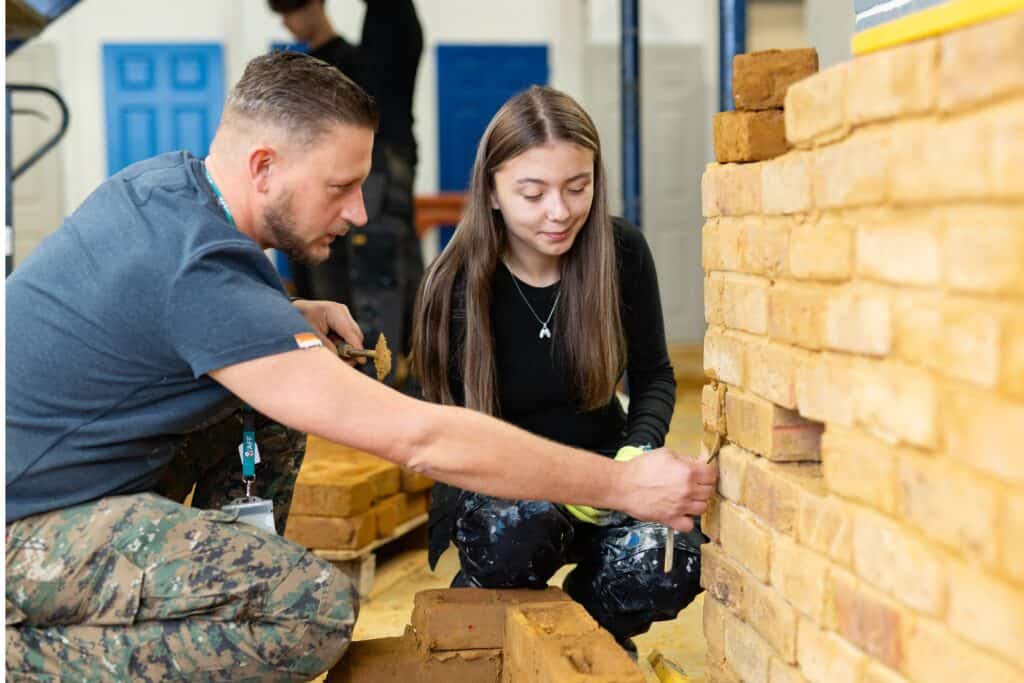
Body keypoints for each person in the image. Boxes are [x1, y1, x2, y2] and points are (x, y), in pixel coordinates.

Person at [5, 53, 717, 681]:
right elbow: (422, 438)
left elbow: (173, 311)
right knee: (309, 611)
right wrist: (624, 482)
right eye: (340, 186)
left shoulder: (171, 190)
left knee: (270, 401)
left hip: (53, 481)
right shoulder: (203, 272)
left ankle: (215, 589)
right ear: (265, 167)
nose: (358, 213)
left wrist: (285, 314)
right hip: (25, 531)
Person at [412, 85, 706, 650]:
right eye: (533, 192)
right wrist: (550, 480)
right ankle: (493, 602)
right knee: (519, 530)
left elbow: (654, 376)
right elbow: (450, 435)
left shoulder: (621, 253)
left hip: (608, 473)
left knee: (670, 562)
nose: (560, 211)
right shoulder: (454, 283)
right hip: (503, 487)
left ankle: (582, 634)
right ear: (493, 193)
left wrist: (635, 453)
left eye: (578, 187)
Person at [269, 0, 424, 369]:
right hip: (351, 193)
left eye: (292, 11)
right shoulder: (316, 67)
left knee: (375, 288)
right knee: (329, 278)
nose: (289, 24)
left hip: (382, 191)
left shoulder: (375, 48)